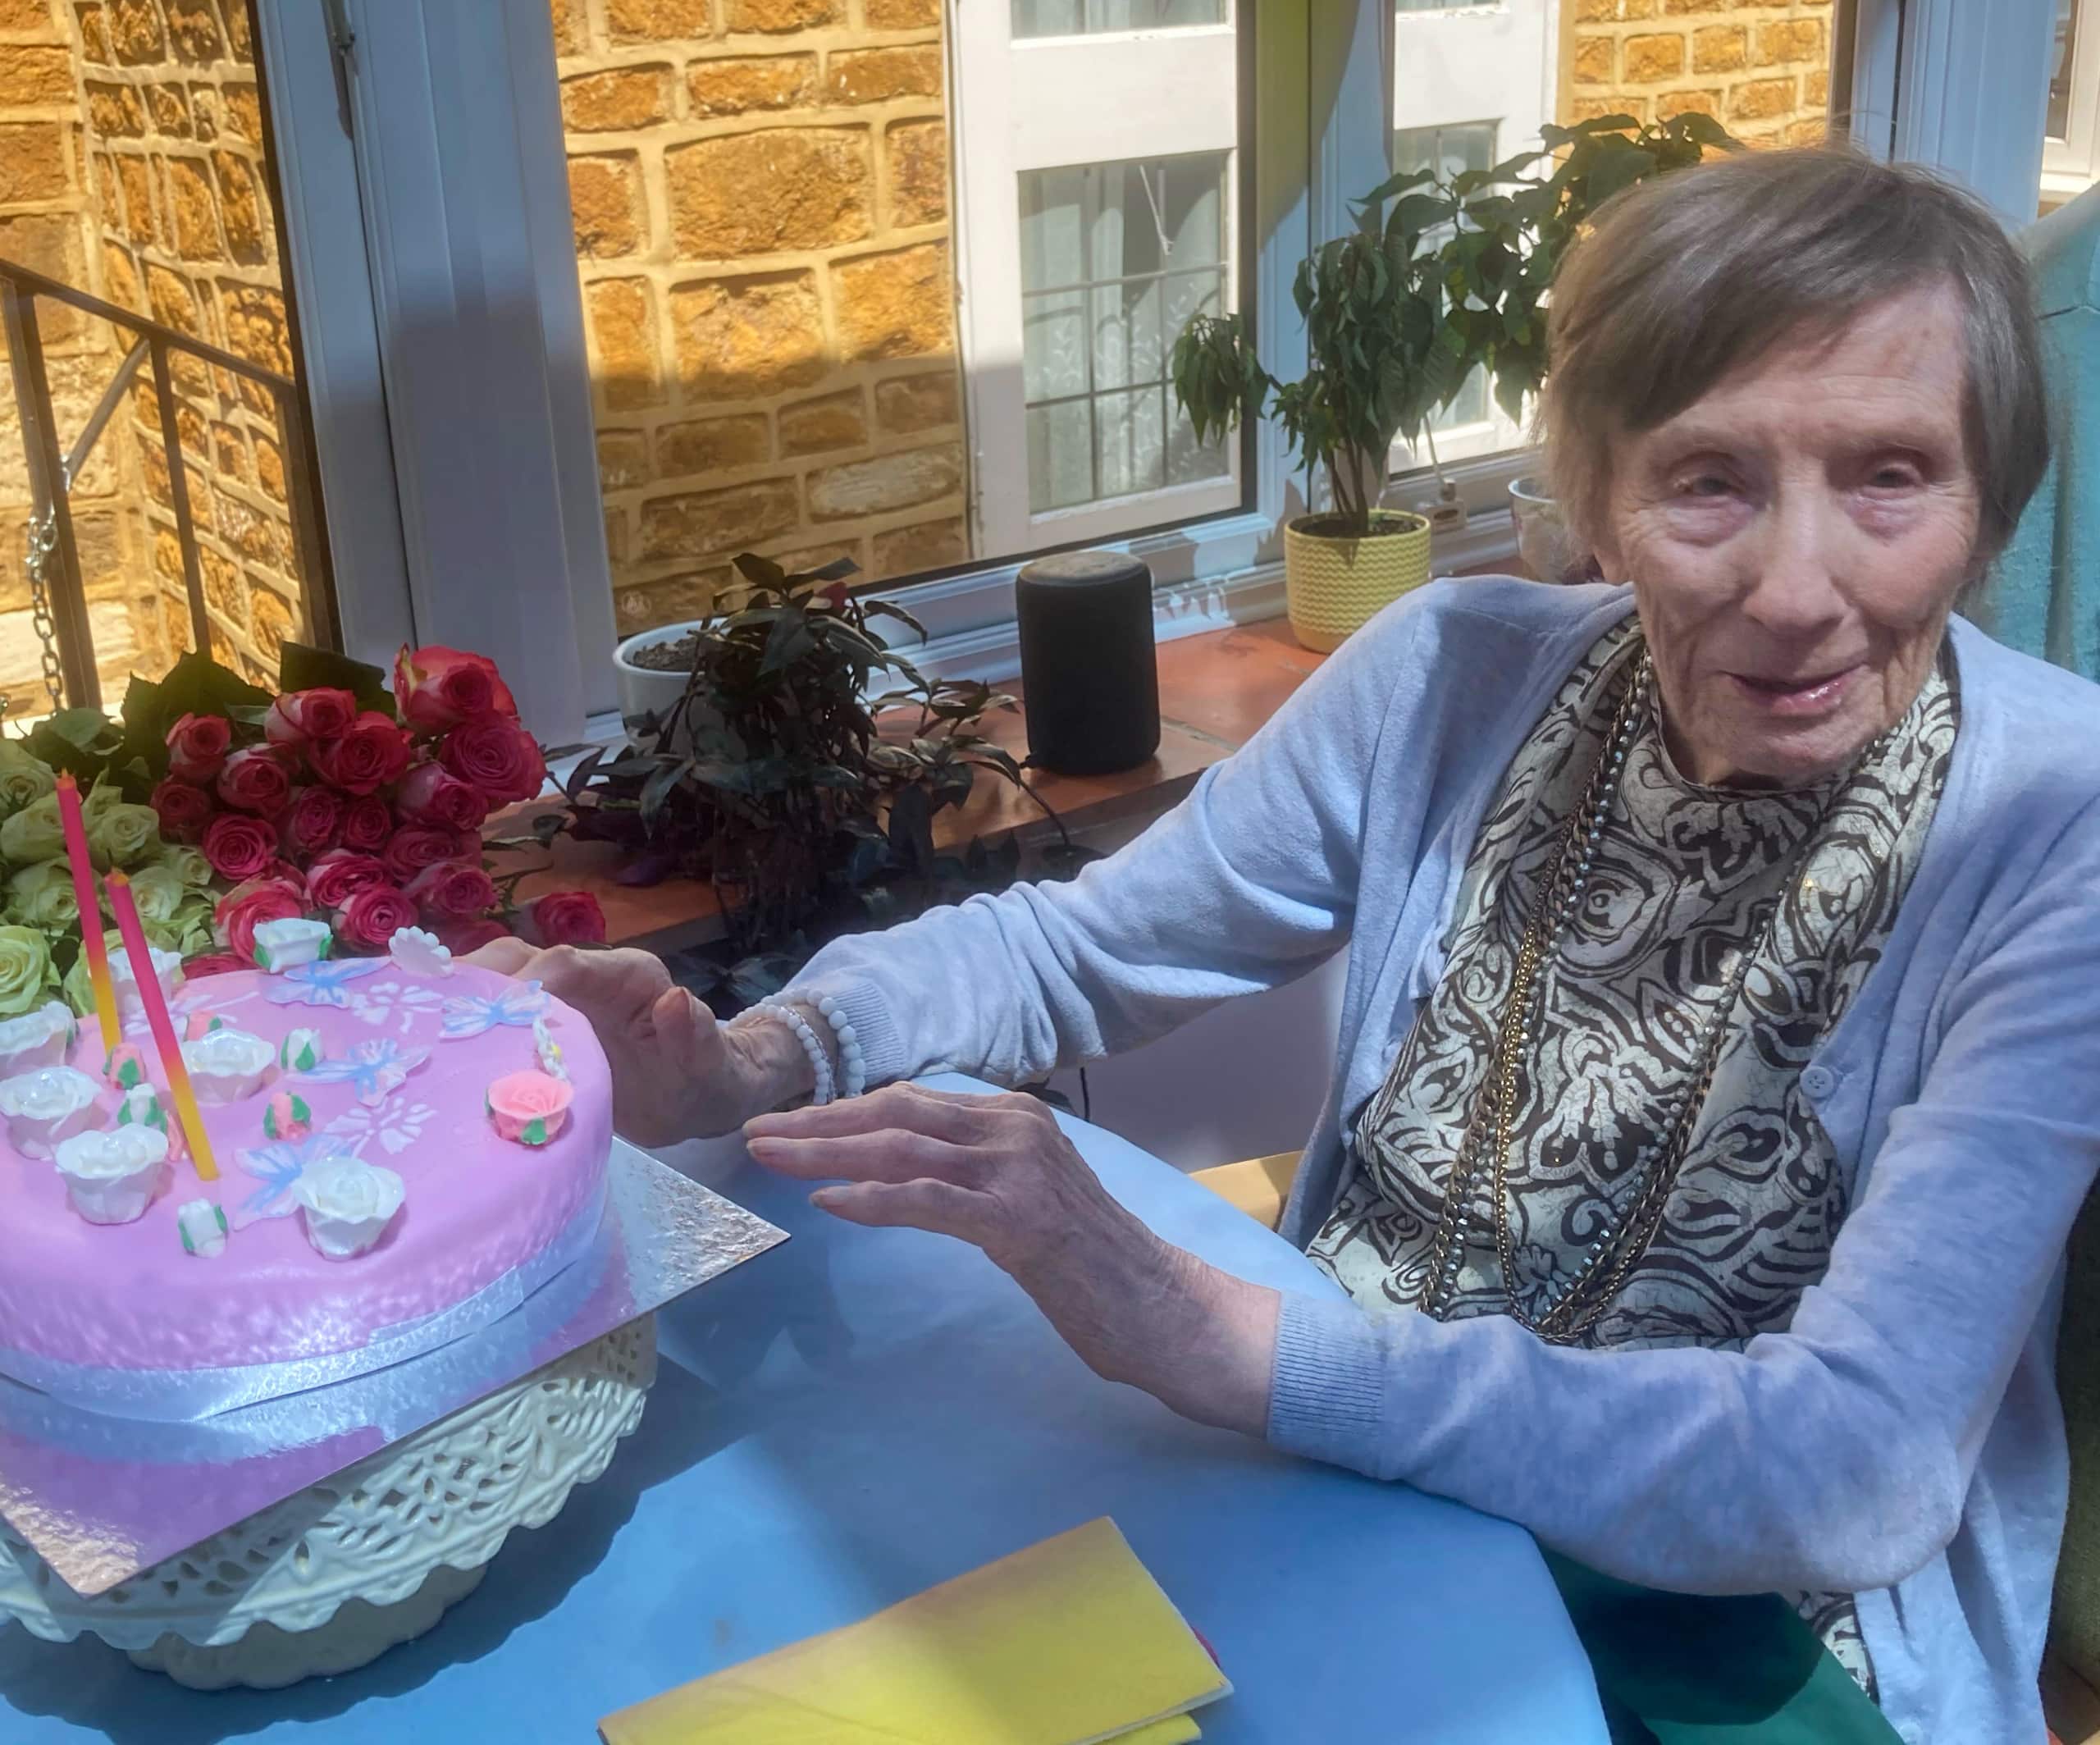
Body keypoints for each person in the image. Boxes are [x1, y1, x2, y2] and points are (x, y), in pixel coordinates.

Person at [487, 148, 2100, 1743]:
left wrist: (1219, 1335)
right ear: (1599, 499)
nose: (1793, 588)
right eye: (1706, 481)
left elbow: (1849, 1463)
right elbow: (1071, 950)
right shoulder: (1450, 669)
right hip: (1328, 1478)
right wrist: (747, 1054)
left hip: (1746, 1623)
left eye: (1888, 474)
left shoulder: (2060, 827)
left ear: (1983, 509)